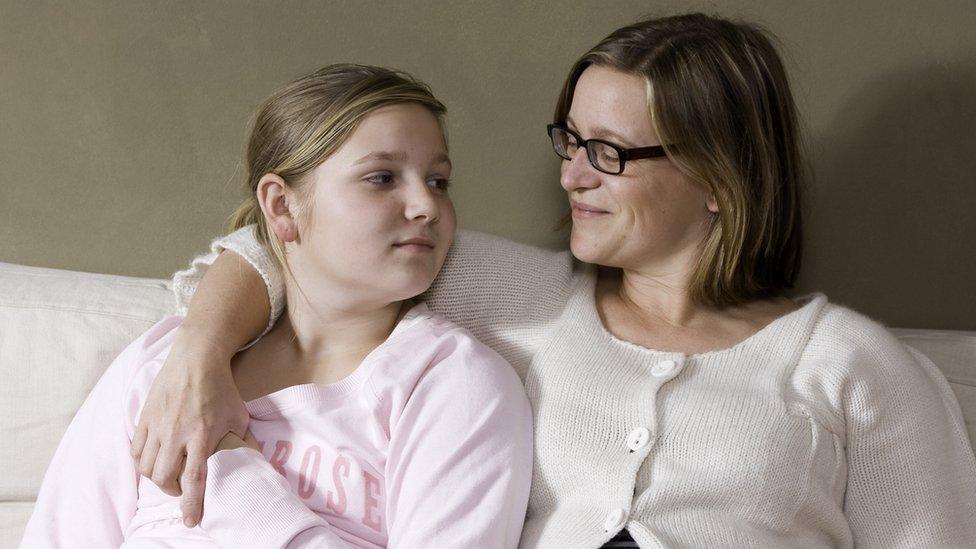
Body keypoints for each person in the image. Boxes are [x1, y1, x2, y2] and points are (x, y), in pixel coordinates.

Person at [135, 13, 976, 548]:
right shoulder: (510, 290)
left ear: (721, 176)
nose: (575, 176)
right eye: (570, 142)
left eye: (610, 153)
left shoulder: (861, 370)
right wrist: (200, 356)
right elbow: (289, 245)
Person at [22, 64, 533, 548]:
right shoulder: (164, 365)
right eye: (382, 177)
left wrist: (231, 477)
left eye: (439, 181)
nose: (426, 205)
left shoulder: (451, 381)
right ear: (282, 206)